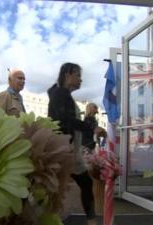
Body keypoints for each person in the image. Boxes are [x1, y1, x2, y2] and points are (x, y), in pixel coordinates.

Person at [47, 62, 102, 225]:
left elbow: (69, 120)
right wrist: (92, 127)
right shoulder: (60, 94)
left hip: (69, 150)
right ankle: (90, 220)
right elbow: (67, 121)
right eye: (77, 75)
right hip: (64, 151)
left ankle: (88, 219)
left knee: (59, 188)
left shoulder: (62, 94)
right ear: (67, 75)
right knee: (57, 188)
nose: (81, 79)